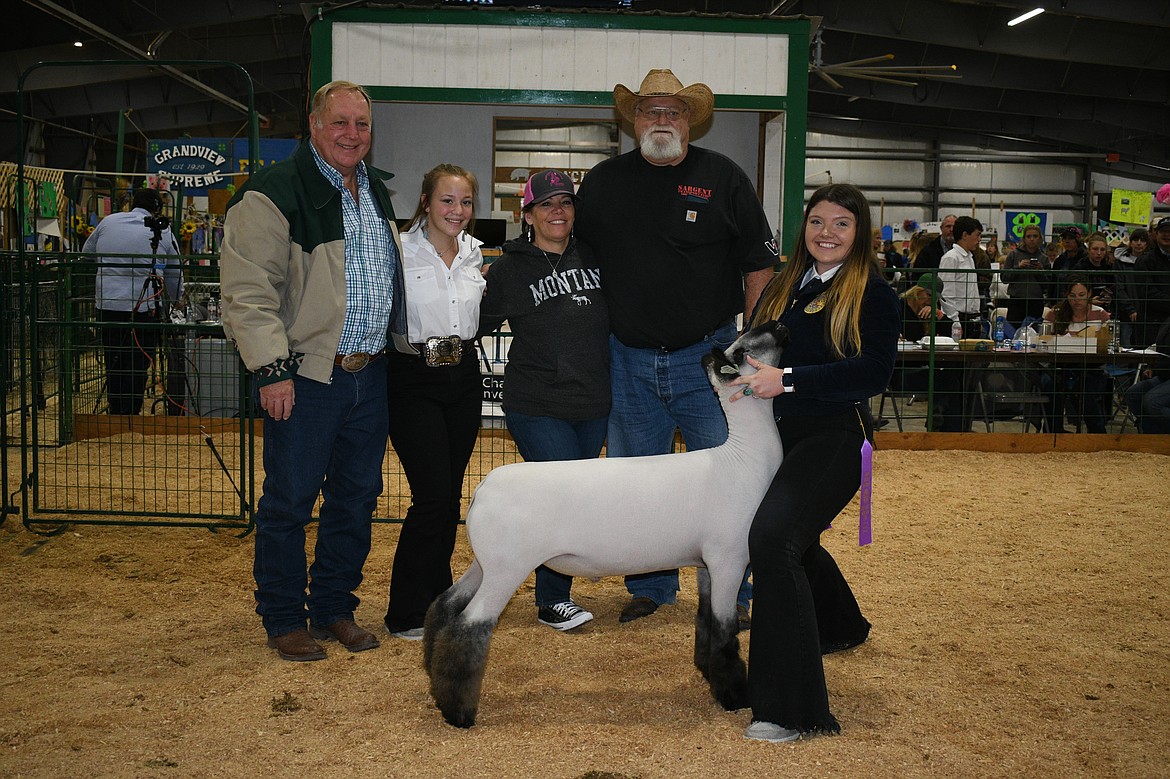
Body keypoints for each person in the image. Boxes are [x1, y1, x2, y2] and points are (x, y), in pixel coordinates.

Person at [574, 68, 777, 624]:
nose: (661, 120)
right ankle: (653, 586)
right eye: (650, 111)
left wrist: (747, 346)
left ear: (689, 121)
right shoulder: (605, 182)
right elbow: (575, 256)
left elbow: (758, 262)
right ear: (633, 120)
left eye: (673, 111)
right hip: (628, 359)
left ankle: (731, 592)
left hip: (708, 359)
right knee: (641, 481)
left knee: (729, 483)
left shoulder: (723, 177)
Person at [221, 80, 411, 661]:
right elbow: (249, 291)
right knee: (290, 502)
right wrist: (271, 368)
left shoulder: (374, 191)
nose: (352, 134)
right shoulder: (273, 193)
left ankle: (334, 608)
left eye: (362, 125)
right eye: (340, 122)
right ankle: (283, 617)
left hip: (369, 372)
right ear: (312, 124)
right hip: (306, 376)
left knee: (355, 498)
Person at [732, 183, 899, 743]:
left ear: (861, 232)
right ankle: (840, 625)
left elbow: (872, 372)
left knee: (774, 540)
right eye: (818, 222)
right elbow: (754, 347)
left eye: (842, 224)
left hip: (832, 440)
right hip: (774, 438)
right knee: (795, 535)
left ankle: (790, 709)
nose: (827, 233)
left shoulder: (874, 294)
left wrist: (788, 380)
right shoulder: (785, 283)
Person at [477, 169, 610, 631]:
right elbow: (473, 322)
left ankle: (553, 590)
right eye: (546, 204)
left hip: (593, 402)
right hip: (536, 403)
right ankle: (552, 599)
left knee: (578, 497)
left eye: (566, 203)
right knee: (561, 499)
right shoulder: (510, 269)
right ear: (527, 214)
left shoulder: (595, 255)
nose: (558, 211)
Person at [382, 164, 486, 641]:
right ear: (425, 202)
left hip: (463, 377)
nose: (457, 211)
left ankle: (438, 597)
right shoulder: (398, 251)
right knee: (430, 496)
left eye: (465, 202)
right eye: (447, 201)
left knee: (448, 498)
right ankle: (405, 611)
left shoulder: (473, 254)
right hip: (412, 377)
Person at [83, 187, 182, 415]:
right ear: (157, 209)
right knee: (138, 363)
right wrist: (177, 300)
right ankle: (132, 412)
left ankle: (116, 411)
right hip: (144, 308)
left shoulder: (108, 222)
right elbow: (175, 270)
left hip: (108, 305)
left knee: (114, 360)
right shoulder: (163, 231)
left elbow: (86, 252)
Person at [1040, 278, 1112, 433]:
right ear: (1066, 295)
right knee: (1049, 385)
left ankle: (1097, 434)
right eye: (1072, 296)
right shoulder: (1055, 313)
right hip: (1059, 367)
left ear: (1090, 294)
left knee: (1088, 392)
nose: (1077, 300)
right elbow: (1042, 342)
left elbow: (1107, 345)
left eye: (1081, 295)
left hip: (1092, 367)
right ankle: (1054, 431)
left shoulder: (1101, 315)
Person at [937, 216, 984, 337]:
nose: (979, 239)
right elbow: (946, 294)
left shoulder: (970, 257)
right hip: (959, 320)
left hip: (972, 319)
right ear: (965, 235)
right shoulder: (951, 258)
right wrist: (955, 322)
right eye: (977, 235)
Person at [1124, 318, 1170, 434]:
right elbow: (1158, 346)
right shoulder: (1167, 322)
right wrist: (1151, 366)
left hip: (1165, 373)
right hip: (1165, 373)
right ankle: (1153, 435)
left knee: (1152, 402)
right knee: (1133, 394)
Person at [1130, 217, 1170, 349]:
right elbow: (1147, 292)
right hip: (1151, 327)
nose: (1167, 235)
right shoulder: (1145, 261)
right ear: (1155, 234)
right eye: (1163, 231)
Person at [1001, 224, 1052, 327]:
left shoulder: (1044, 258)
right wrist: (1018, 267)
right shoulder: (1013, 255)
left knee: (1033, 332)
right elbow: (1004, 278)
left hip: (1036, 301)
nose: (1032, 239)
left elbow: (1048, 284)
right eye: (1028, 236)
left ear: (1040, 238)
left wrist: (1040, 271)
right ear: (1024, 238)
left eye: (1035, 236)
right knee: (1013, 331)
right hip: (1016, 300)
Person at [1114, 228, 1149, 348]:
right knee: (1125, 349)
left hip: (1146, 315)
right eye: (1135, 240)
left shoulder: (1151, 262)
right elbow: (1119, 288)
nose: (1139, 243)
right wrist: (1130, 309)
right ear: (1131, 242)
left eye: (1143, 240)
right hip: (1125, 315)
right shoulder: (1120, 263)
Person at [1073, 231, 1115, 311]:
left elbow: (1113, 288)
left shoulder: (1110, 268)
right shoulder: (1079, 267)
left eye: (1102, 250)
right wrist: (1089, 301)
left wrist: (1110, 298)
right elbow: (1072, 292)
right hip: (1083, 309)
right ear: (1089, 250)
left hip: (1105, 310)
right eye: (1095, 249)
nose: (1099, 253)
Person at [909, 213, 956, 281]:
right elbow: (917, 277)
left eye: (954, 227)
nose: (951, 229)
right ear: (941, 228)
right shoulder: (927, 251)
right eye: (948, 226)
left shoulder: (964, 251)